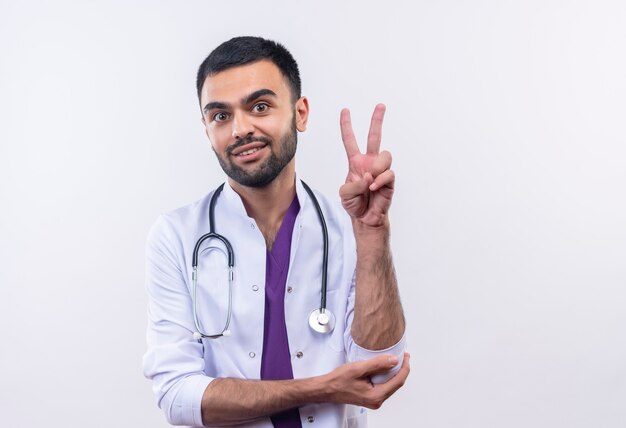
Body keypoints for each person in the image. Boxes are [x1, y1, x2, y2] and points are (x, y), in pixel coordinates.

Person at [143, 36, 409, 428]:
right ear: (206, 129)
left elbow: (379, 374)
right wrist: (323, 387)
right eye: (220, 116)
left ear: (300, 113)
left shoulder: (345, 229)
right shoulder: (176, 236)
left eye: (260, 107)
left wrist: (372, 236)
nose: (240, 129)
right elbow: (178, 397)